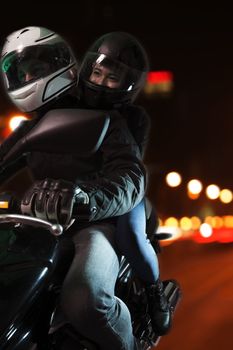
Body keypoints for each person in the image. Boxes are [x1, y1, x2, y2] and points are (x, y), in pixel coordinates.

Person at [0, 26, 147, 350]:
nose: (30, 77)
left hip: (90, 222)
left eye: (38, 69)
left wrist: (86, 197)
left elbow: (130, 173)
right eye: (22, 72)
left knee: (86, 300)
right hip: (35, 221)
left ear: (64, 64)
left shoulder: (109, 119)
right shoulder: (30, 127)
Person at [77, 31, 172, 335]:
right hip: (83, 193)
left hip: (122, 194)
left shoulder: (135, 118)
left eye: (112, 77)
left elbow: (128, 165)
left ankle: (154, 291)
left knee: (130, 234)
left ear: (127, 84)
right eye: (97, 72)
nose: (102, 82)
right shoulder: (74, 110)